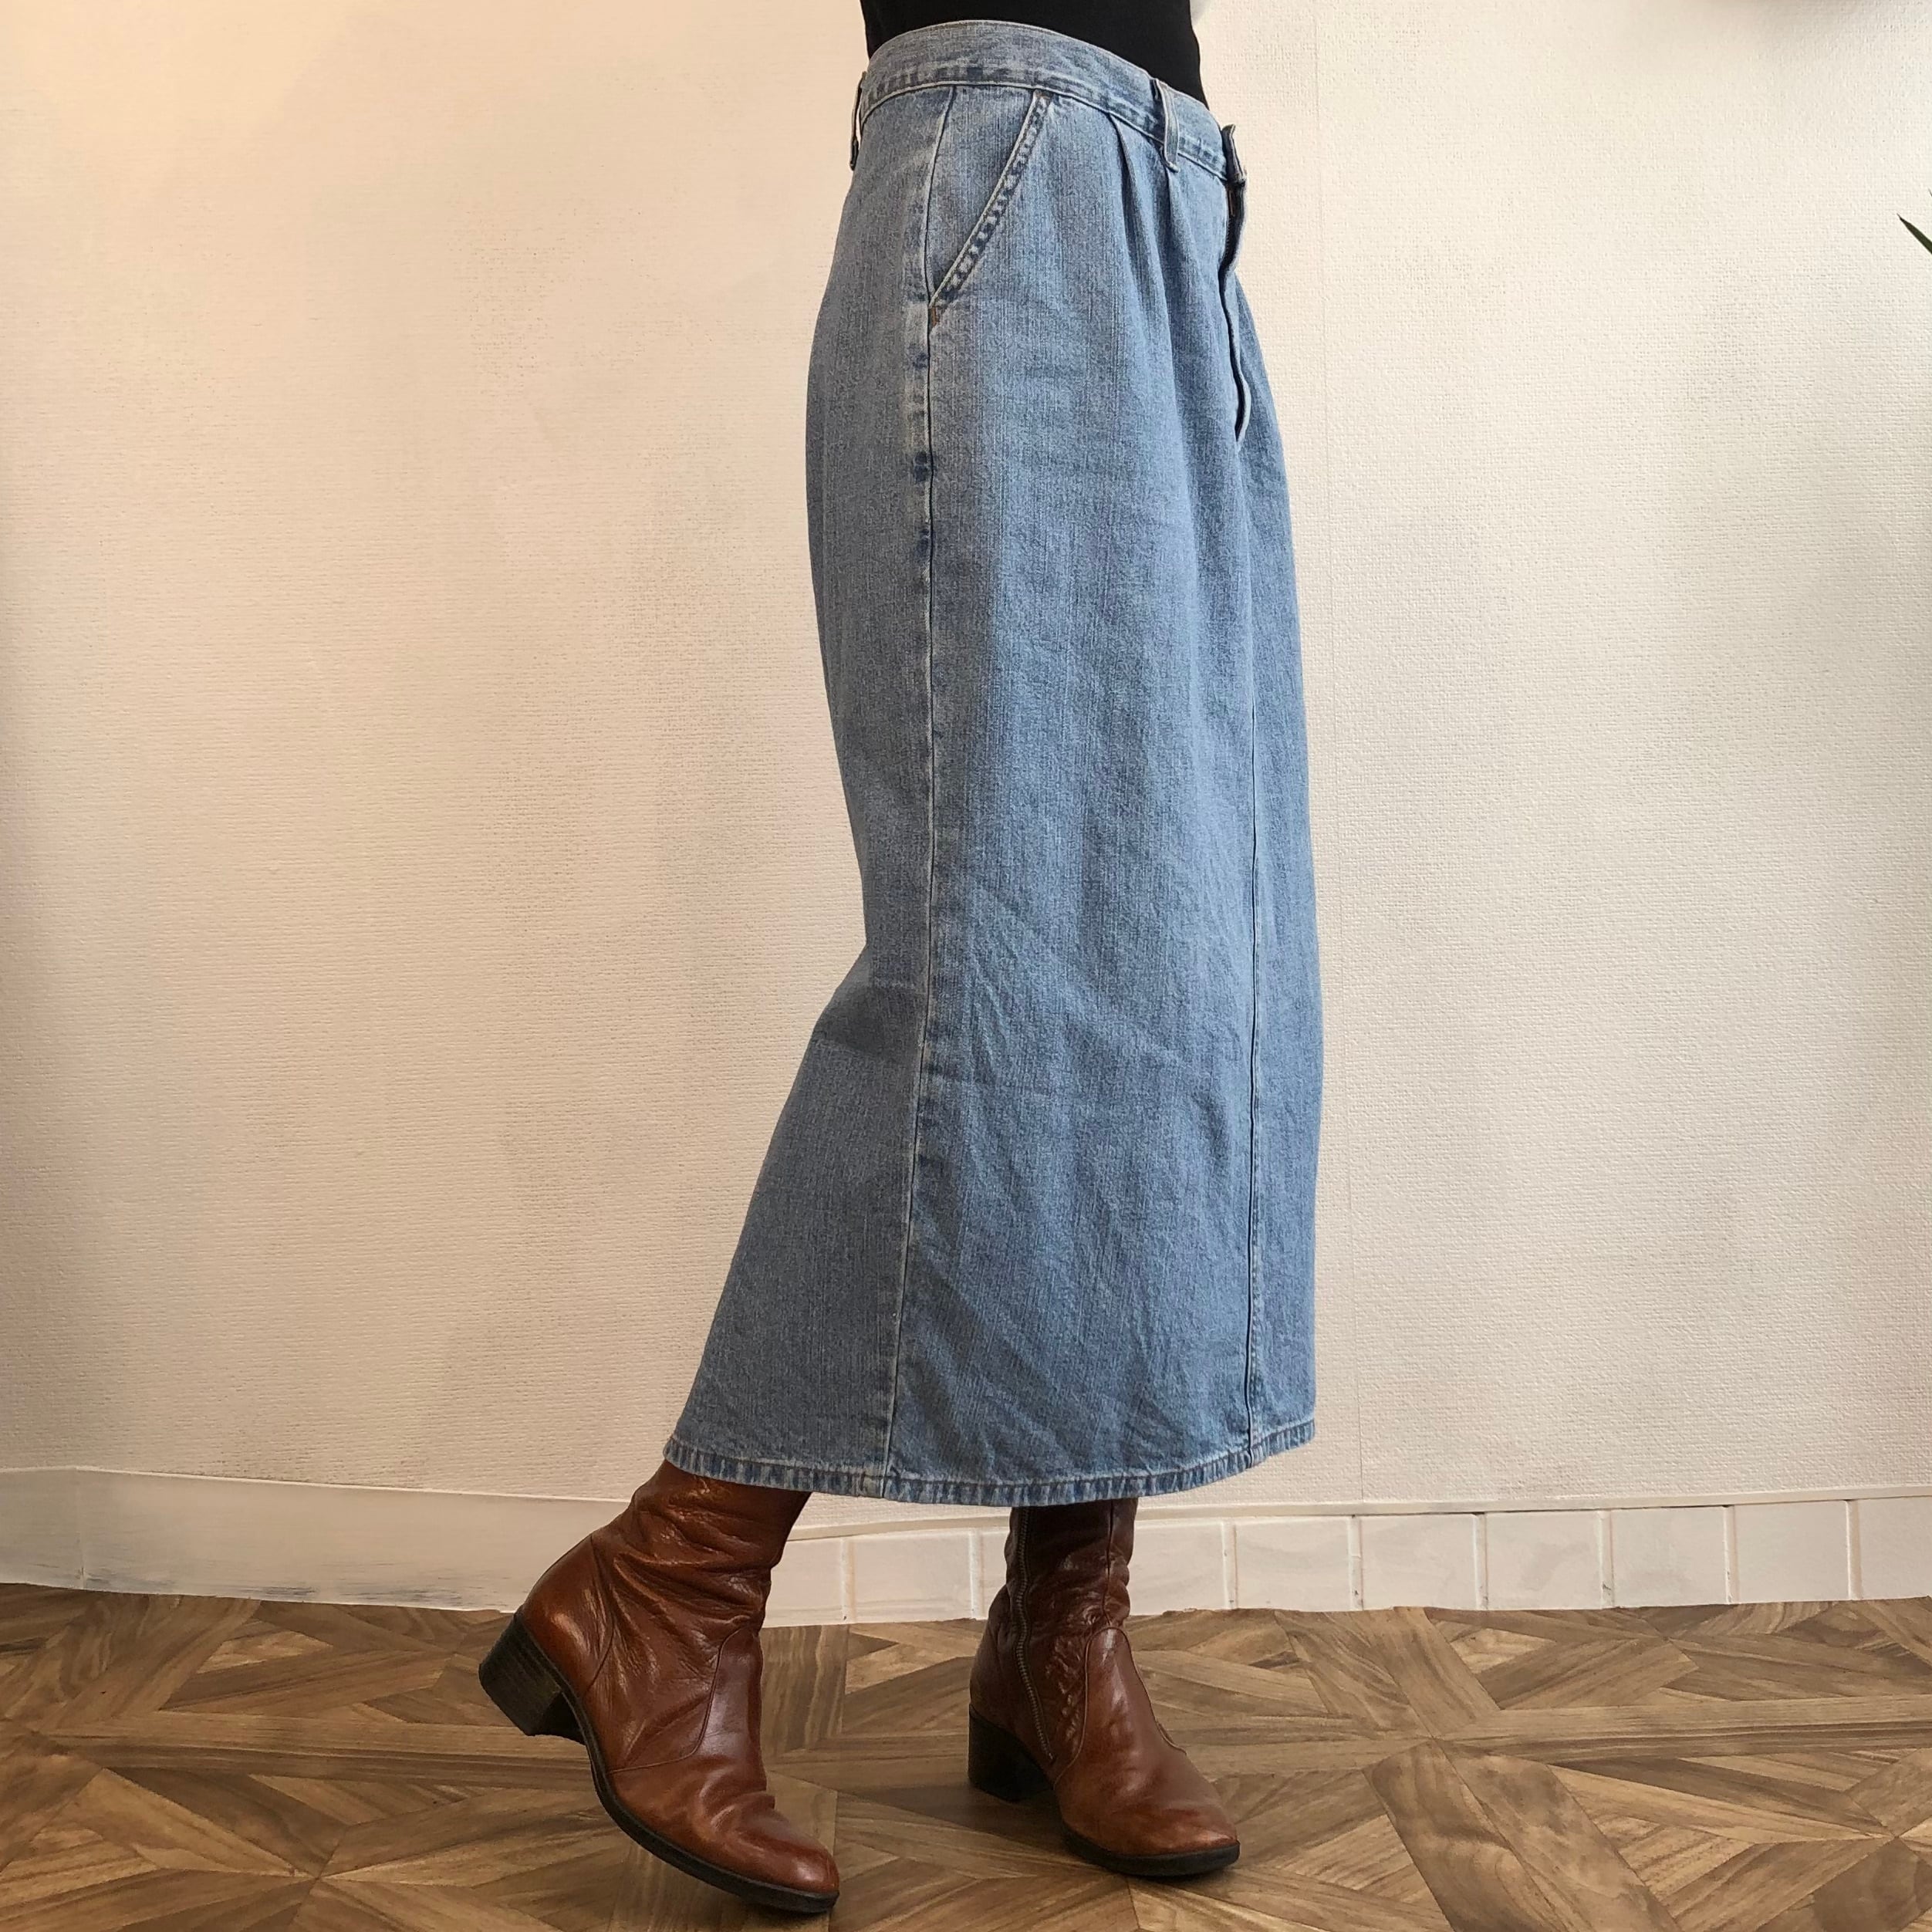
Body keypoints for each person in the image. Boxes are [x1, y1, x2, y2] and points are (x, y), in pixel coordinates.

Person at [481, 0, 1322, 1913]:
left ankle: (1059, 1630)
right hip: (1011, 170)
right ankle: (672, 1578)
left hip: (1167, 198)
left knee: (1175, 959)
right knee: (1006, 954)